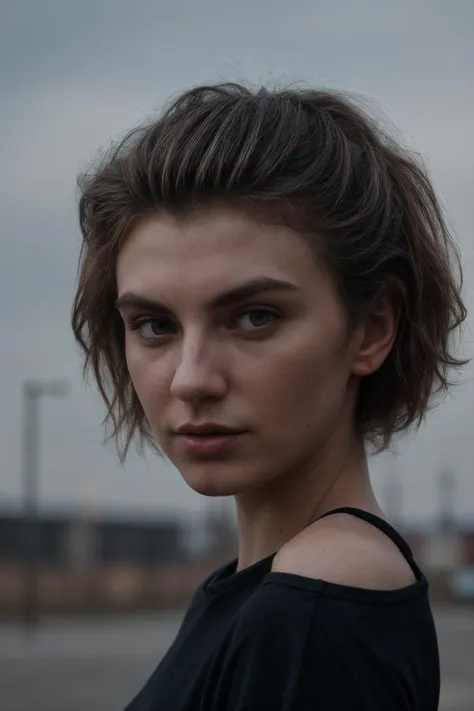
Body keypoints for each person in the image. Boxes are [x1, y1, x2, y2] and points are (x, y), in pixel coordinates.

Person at [72, 82, 467, 710]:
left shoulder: (317, 608)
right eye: (155, 325)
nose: (190, 378)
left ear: (372, 328)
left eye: (255, 317)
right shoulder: (280, 590)